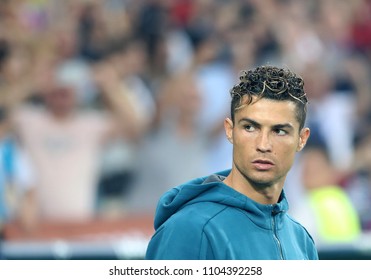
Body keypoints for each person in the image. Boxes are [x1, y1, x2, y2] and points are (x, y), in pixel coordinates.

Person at [145, 65, 318, 260]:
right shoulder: (190, 230)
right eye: (250, 127)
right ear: (229, 130)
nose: (263, 145)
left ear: (302, 139)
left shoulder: (301, 240)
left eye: (279, 131)